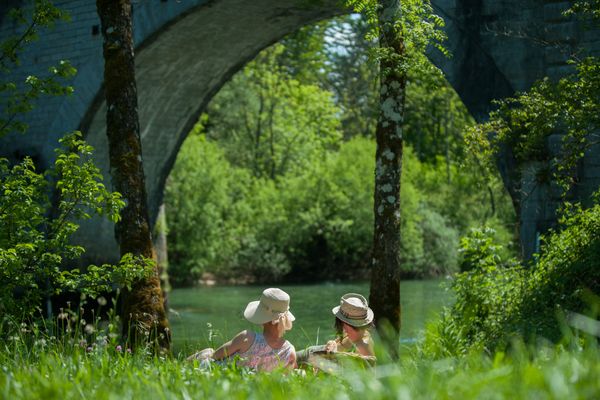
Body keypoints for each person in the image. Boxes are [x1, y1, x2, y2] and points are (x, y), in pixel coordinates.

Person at [187, 288, 296, 371]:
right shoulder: (290, 352)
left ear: (263, 318)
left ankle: (180, 366)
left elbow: (216, 356)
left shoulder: (247, 338)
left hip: (217, 375)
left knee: (209, 351)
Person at [297, 293, 376, 368]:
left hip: (315, 357)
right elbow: (337, 342)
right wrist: (332, 343)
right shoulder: (361, 334)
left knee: (289, 357)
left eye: (343, 323)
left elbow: (365, 375)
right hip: (314, 352)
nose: (343, 327)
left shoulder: (363, 347)